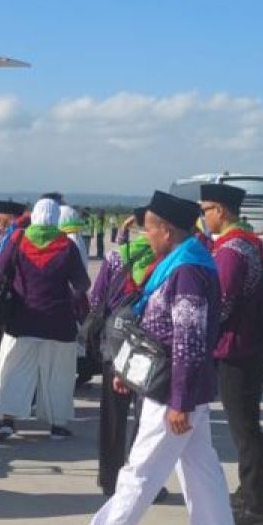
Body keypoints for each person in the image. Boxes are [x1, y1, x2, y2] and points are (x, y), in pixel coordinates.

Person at [55, 190, 238, 525]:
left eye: (149, 229)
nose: (145, 236)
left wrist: (180, 402)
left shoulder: (187, 271)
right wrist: (132, 374)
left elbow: (188, 339)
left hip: (174, 388)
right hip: (172, 384)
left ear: (167, 231)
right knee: (201, 472)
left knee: (141, 468)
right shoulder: (181, 263)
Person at [0, 198, 90, 440]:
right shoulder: (67, 246)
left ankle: (7, 421)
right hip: (59, 321)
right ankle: (57, 425)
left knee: (13, 370)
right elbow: (82, 283)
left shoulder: (18, 239)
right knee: (58, 374)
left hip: (22, 319)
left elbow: (0, 266)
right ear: (56, 217)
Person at [199, 183, 263, 525]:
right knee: (247, 424)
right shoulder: (253, 243)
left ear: (221, 210)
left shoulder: (231, 250)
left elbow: (222, 303)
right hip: (252, 344)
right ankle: (247, 491)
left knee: (244, 429)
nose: (204, 217)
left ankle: (259, 508)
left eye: (206, 210)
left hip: (236, 348)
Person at [86, 209, 162, 499]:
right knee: (147, 419)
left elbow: (96, 299)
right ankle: (141, 482)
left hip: (116, 346)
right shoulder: (167, 260)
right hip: (151, 350)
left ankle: (109, 478)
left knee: (113, 418)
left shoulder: (117, 256)